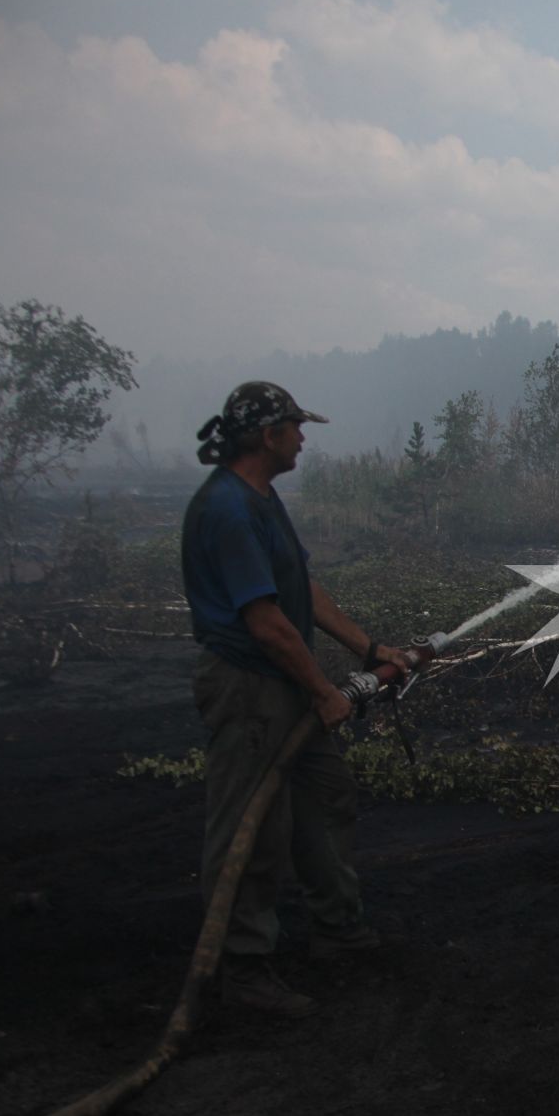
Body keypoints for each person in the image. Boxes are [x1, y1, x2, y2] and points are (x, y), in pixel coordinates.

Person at [181, 381, 412, 1018]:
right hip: (250, 687)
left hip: (283, 681)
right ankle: (245, 969)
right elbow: (266, 621)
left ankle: (340, 931)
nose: (304, 439)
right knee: (251, 827)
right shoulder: (226, 509)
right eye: (295, 428)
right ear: (267, 435)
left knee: (325, 796)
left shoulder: (261, 500)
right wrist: (323, 690)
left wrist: (370, 650)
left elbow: (299, 590)